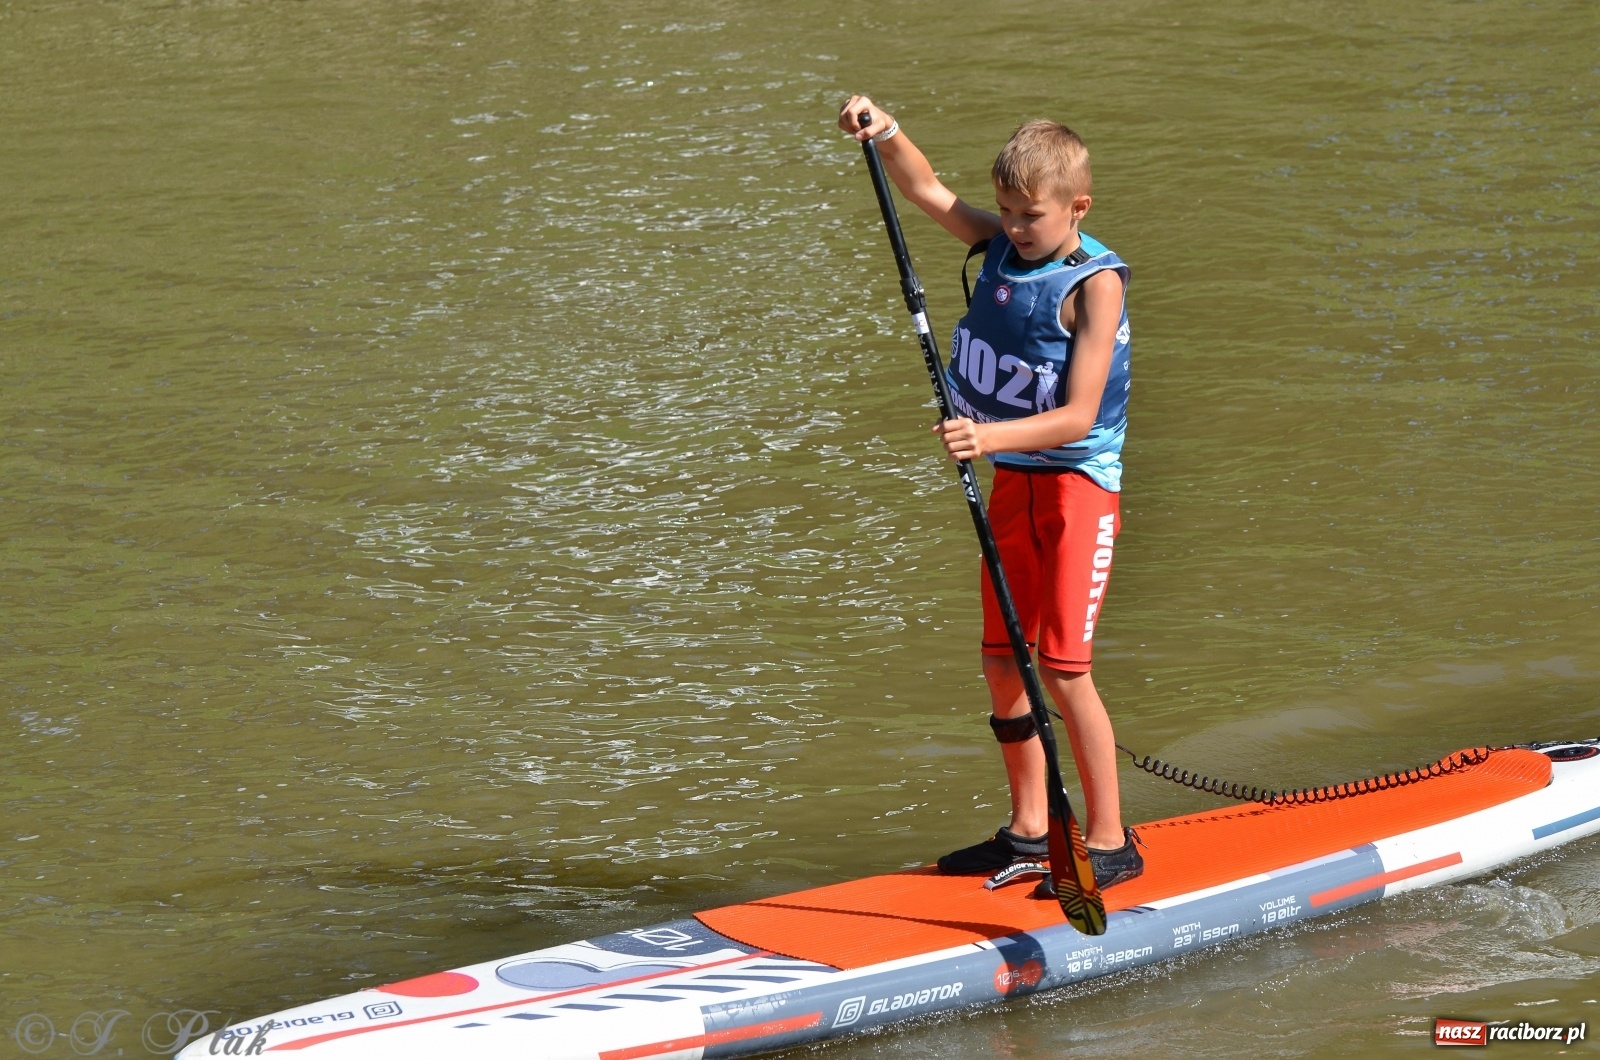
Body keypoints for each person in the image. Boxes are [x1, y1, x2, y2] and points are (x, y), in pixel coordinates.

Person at [837, 96, 1142, 891]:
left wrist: (988, 437)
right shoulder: (1002, 247)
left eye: (1029, 216)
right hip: (1015, 490)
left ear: (1078, 207)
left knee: (1067, 670)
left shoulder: (1094, 286)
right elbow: (929, 191)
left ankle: (1111, 841)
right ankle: (1031, 831)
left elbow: (1077, 414)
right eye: (1004, 211)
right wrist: (886, 131)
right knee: (1003, 661)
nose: (1012, 227)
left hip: (1077, 490)